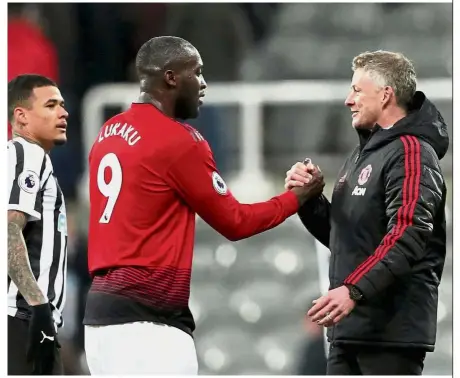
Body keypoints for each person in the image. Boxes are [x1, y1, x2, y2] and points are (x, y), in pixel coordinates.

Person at [83, 35, 324, 375]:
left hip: (100, 322)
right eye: (196, 73)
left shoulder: (107, 133)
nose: (203, 84)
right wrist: (297, 197)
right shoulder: (179, 140)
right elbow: (236, 221)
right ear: (171, 78)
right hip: (150, 324)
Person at [285, 50, 449, 375]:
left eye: (357, 90)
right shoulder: (361, 156)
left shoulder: (412, 151)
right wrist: (308, 198)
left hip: (389, 335)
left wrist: (354, 289)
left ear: (386, 94)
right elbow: (345, 239)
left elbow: (408, 234)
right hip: (348, 331)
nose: (349, 100)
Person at [7, 74, 69, 375]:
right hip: (22, 319)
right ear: (21, 117)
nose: (63, 112)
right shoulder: (27, 154)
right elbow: (9, 230)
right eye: (51, 105)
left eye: (62, 105)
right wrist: (38, 306)